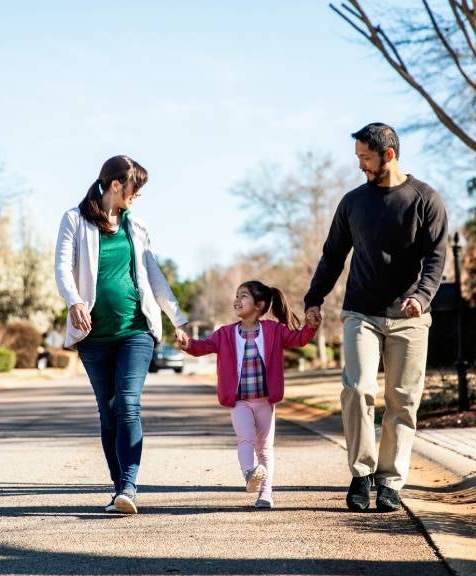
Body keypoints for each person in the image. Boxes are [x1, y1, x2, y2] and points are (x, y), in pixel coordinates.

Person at [304, 123, 449, 512]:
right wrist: (314, 297)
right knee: (357, 388)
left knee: (402, 399)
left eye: (365, 158)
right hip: (360, 312)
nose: (360, 166)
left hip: (410, 315)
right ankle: (361, 473)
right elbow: (333, 254)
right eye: (358, 158)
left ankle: (391, 480)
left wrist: (421, 297)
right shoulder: (353, 203)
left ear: (388, 155)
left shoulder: (425, 200)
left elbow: (437, 258)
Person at [55, 154, 189, 515]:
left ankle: (129, 484)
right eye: (135, 188)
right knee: (108, 411)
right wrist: (74, 302)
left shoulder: (137, 227)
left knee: (127, 404)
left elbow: (153, 275)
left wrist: (177, 317)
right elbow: (63, 268)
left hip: (135, 329)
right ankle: (119, 491)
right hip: (93, 336)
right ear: (117, 184)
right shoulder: (75, 220)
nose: (138, 195)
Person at [177, 280, 320, 508]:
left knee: (265, 448)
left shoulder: (274, 330)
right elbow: (203, 347)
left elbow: (298, 339)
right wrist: (187, 344)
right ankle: (249, 474)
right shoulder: (225, 333)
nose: (237, 300)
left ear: (259, 305)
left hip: (265, 401)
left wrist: (310, 327)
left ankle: (265, 494)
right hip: (240, 401)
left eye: (243, 296)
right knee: (245, 439)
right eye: (236, 295)